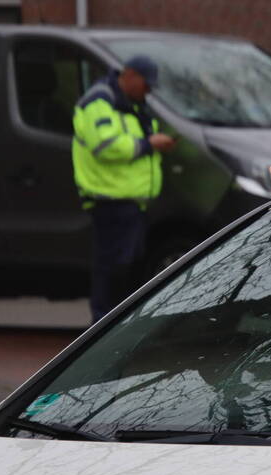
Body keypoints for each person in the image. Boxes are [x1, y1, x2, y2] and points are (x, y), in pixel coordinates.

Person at [72, 55, 176, 323]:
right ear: (129, 75)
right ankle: (102, 325)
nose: (149, 91)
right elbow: (105, 146)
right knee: (112, 268)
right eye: (146, 84)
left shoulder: (131, 103)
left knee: (126, 267)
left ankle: (113, 326)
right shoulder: (100, 101)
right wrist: (149, 143)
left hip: (132, 201)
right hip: (110, 199)